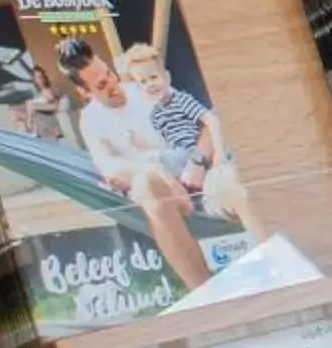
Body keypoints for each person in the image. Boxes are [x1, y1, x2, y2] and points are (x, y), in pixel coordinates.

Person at [57, 35, 208, 287]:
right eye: (102, 85)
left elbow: (205, 126)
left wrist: (197, 162)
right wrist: (158, 172)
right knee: (145, 185)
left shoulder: (145, 89)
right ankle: (203, 287)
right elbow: (110, 168)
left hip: (194, 171)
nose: (113, 84)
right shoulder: (92, 119)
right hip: (158, 191)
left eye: (110, 74)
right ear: (84, 92)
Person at [122, 43, 254, 234]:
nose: (150, 84)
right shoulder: (156, 115)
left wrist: (218, 153)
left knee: (155, 163)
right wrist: (138, 144)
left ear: (166, 77)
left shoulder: (181, 100)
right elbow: (168, 143)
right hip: (181, 157)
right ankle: (172, 195)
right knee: (153, 161)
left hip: (191, 151)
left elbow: (211, 120)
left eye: (153, 77)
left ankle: (145, 192)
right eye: (142, 82)